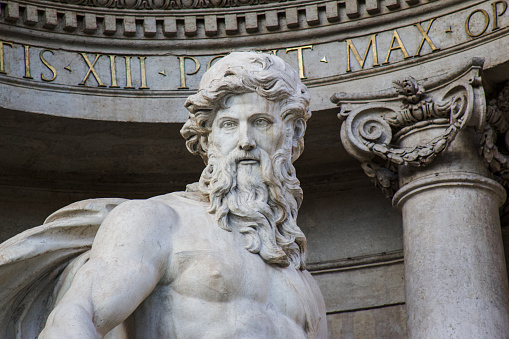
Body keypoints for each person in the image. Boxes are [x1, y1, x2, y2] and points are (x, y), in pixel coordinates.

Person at [11, 52, 327, 338]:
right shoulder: (158, 222)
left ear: (291, 134)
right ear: (208, 139)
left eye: (260, 122)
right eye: (230, 125)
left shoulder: (301, 278)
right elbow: (74, 318)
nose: (245, 141)